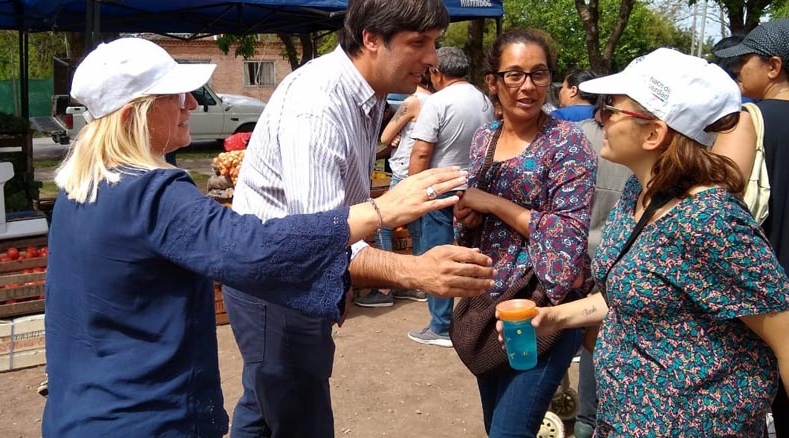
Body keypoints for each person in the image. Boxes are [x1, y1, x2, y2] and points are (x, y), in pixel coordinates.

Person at [41, 37, 476, 437]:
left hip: (79, 413)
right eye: (175, 95)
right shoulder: (152, 193)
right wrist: (382, 211)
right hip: (145, 418)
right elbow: (253, 248)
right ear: (132, 114)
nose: (190, 103)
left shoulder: (80, 188)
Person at [224, 0, 495, 438]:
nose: (432, 58)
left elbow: (341, 207)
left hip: (295, 277)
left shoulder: (367, 96)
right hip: (278, 285)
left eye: (434, 43)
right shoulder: (319, 104)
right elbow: (315, 234)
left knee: (263, 403)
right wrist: (416, 272)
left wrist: (344, 277)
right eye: (419, 42)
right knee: (299, 415)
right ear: (371, 38)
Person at [522, 47, 789, 436]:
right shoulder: (638, 192)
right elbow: (633, 294)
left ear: (655, 133)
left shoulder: (710, 220)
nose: (600, 117)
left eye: (612, 109)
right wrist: (553, 317)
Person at [453, 28, 597, 436]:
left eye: (538, 73)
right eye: (514, 75)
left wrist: (493, 204)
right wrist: (468, 216)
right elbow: (474, 219)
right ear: (493, 82)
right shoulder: (484, 138)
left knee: (509, 432)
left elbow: (566, 239)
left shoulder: (567, 143)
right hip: (489, 305)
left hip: (540, 308)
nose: (527, 86)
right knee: (494, 425)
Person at [712, 18, 789, 438]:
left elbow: (715, 204)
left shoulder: (749, 119)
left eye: (745, 61)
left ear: (774, 66)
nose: (739, 71)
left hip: (772, 300)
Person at [407, 46, 496, 347]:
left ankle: (440, 324)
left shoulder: (437, 101)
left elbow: (421, 151)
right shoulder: (484, 99)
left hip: (439, 185)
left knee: (436, 251)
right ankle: (477, 317)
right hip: (475, 186)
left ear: (437, 72)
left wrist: (412, 192)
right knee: (474, 252)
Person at [572, 83, 633, 438]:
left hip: (584, 253)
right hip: (613, 254)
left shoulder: (578, 138)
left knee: (590, 339)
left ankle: (584, 419)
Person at [354, 70, 435, 307]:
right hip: (425, 173)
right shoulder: (438, 101)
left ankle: (384, 288)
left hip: (403, 172)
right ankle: (420, 286)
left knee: (381, 224)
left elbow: (386, 135)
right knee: (418, 229)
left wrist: (395, 133)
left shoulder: (412, 102)